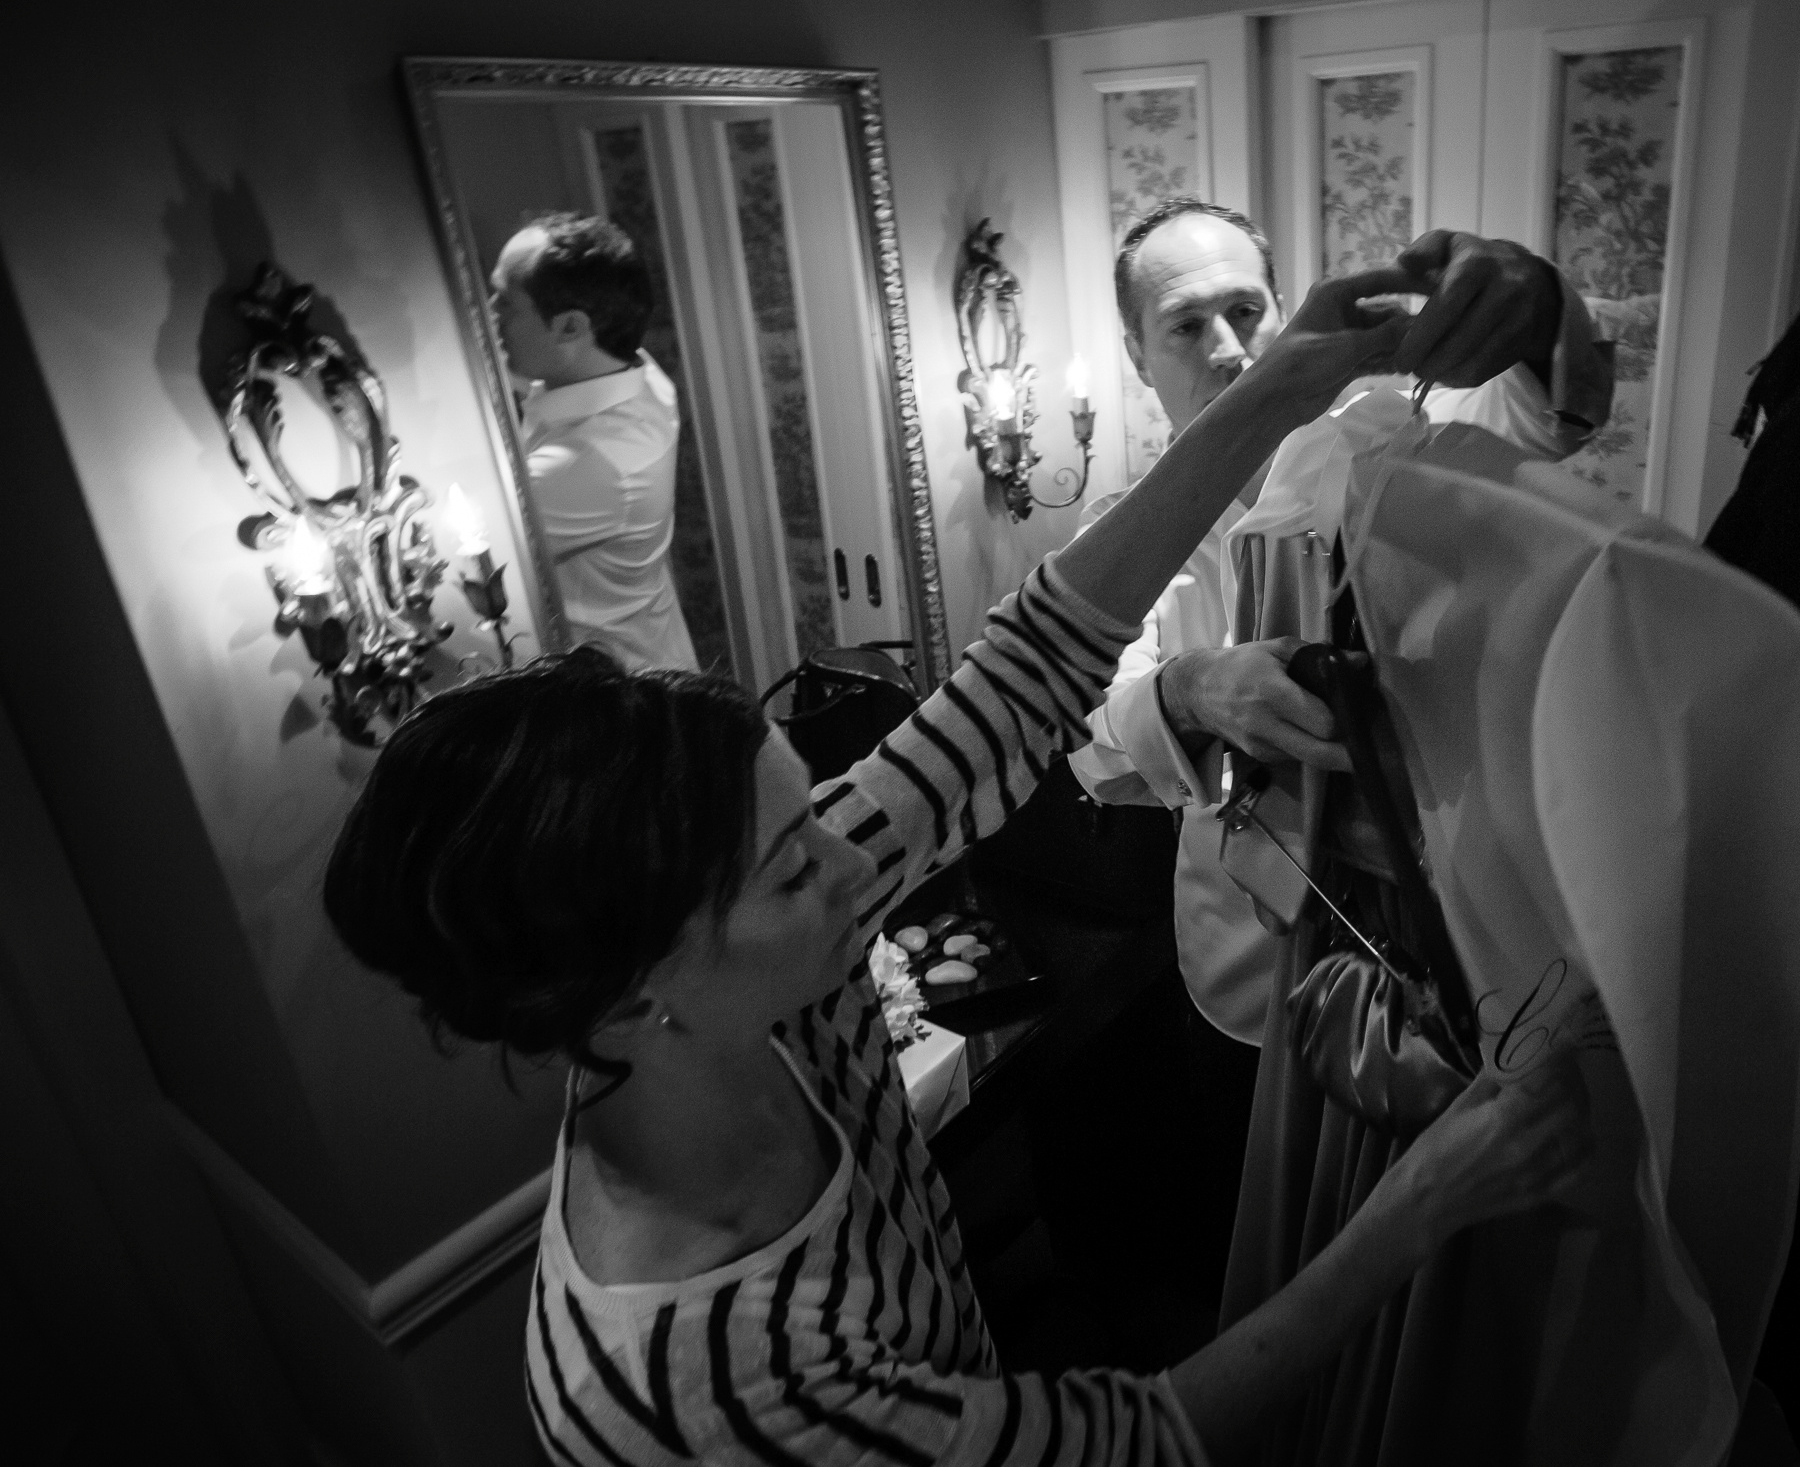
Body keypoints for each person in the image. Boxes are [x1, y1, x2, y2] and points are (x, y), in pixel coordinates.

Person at [323, 249, 1609, 1467]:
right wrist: (1427, 1202)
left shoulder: (738, 987)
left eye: (813, 813)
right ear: (637, 989)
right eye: (791, 863)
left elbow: (1022, 678)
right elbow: (1144, 1439)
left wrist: (1292, 379)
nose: (855, 863)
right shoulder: (719, 1393)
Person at [1068, 202, 1601, 1051]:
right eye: (1185, 325)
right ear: (1136, 354)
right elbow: (1090, 742)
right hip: (1240, 964)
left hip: (1435, 959)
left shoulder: (1389, 451)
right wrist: (1189, 688)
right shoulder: (1117, 536)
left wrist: (1536, 311)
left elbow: (1542, 417)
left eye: (1246, 310)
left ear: (1282, 314)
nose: (1229, 348)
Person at [491, 211, 699, 670]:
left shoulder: (589, 464)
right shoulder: (635, 370)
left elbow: (472, 553)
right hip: (650, 637)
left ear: (570, 328)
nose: (488, 314)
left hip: (621, 694)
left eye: (504, 302)